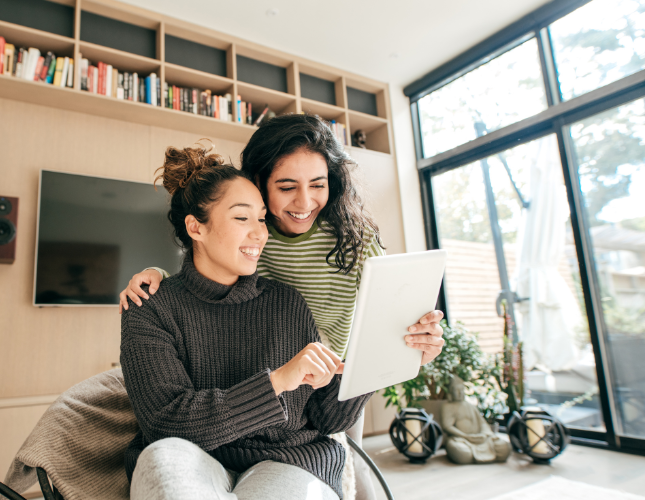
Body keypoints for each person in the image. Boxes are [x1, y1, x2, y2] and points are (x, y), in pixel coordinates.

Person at [120, 115, 446, 499]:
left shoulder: (336, 254)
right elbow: (200, 280)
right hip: (204, 443)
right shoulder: (155, 304)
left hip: (322, 402)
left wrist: (399, 348)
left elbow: (328, 415)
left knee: (356, 469)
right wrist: (277, 381)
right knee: (164, 463)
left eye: (258, 219)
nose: (260, 231)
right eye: (246, 216)